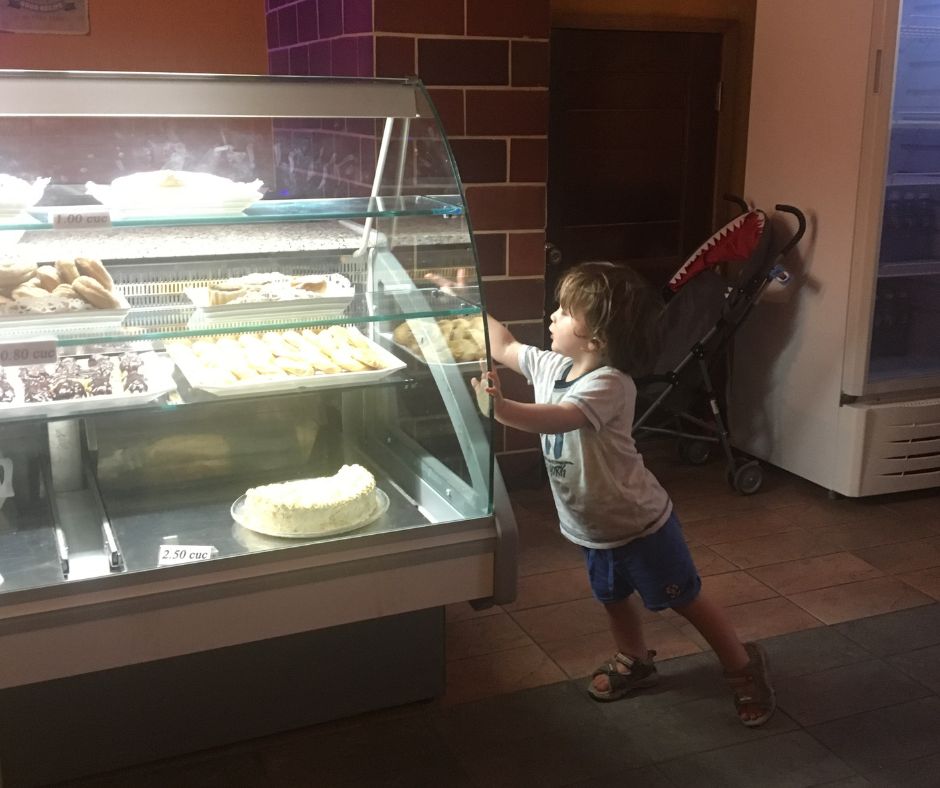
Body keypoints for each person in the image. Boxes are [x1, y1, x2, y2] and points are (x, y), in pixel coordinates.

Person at [461, 261, 775, 727]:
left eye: (565, 312)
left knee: (683, 597)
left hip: (639, 525)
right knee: (611, 597)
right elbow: (504, 344)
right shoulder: (552, 366)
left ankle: (742, 666)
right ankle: (635, 657)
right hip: (593, 528)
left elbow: (562, 417)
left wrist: (502, 410)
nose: (552, 317)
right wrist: (466, 306)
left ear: (597, 338)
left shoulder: (609, 384)